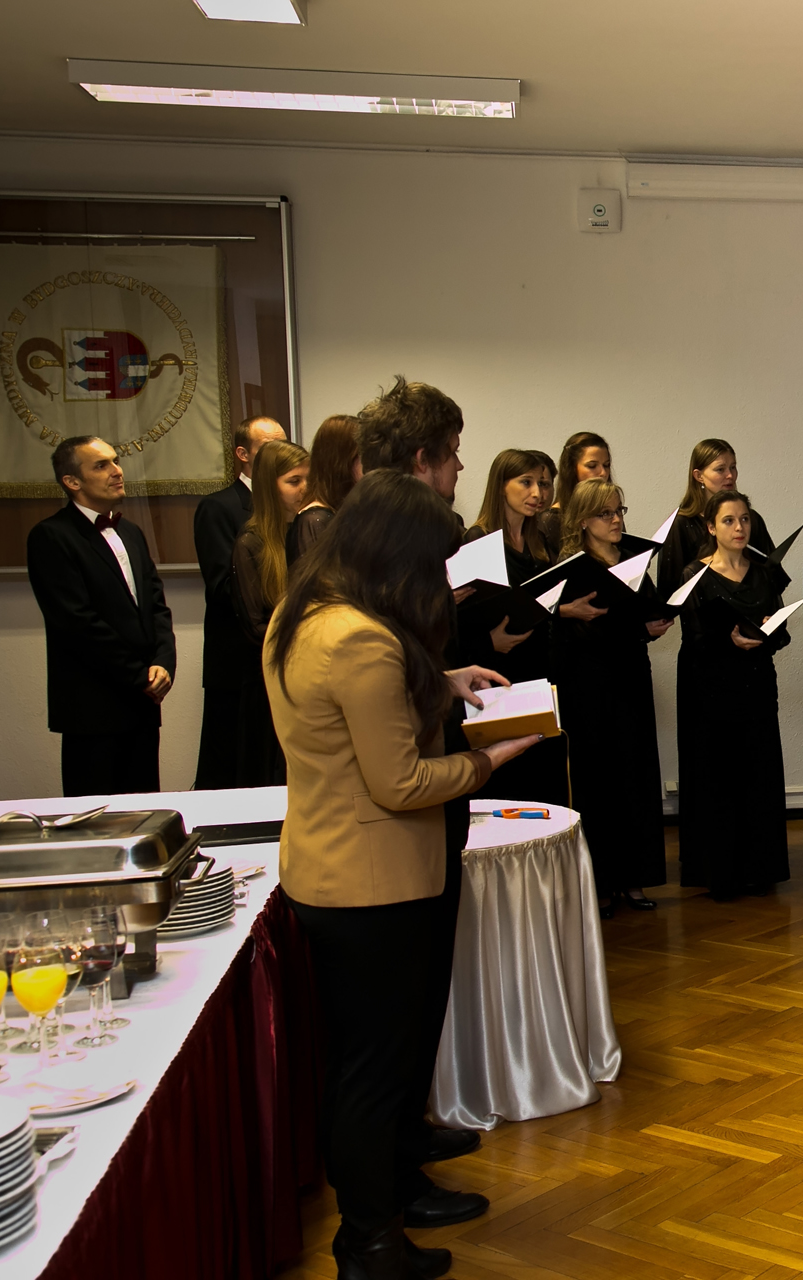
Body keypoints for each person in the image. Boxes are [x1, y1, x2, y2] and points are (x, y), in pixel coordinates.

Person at [265, 469, 537, 1280]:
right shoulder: (363, 639)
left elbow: (347, 719)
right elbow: (402, 783)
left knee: (359, 1064)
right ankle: (370, 1243)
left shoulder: (305, 612)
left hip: (325, 867)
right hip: (374, 882)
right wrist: (488, 759)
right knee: (375, 1075)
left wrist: (442, 683)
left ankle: (376, 1223)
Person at [354, 375, 490, 1230]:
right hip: (386, 828)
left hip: (411, 801)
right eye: (452, 456)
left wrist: (443, 677)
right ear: (419, 460)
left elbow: (401, 673)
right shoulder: (378, 556)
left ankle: (410, 1134)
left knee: (418, 995)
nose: (458, 470)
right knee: (393, 1019)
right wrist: (483, 758)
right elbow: (378, 687)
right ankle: (394, 1178)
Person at [26, 436, 176, 797]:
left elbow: (156, 606)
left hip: (142, 703)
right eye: (101, 465)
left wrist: (162, 662)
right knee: (97, 817)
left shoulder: (131, 532)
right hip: (93, 707)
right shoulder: (51, 536)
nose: (117, 471)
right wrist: (138, 675)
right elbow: (76, 623)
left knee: (145, 810)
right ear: (72, 482)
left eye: (116, 461)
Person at [556, 479, 670, 915]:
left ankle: (634, 879)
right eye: (606, 513)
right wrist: (632, 627)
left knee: (635, 773)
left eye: (619, 510)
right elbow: (571, 631)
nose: (616, 520)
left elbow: (648, 610)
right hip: (589, 684)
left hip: (631, 676)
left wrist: (656, 623)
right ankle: (602, 883)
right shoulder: (572, 568)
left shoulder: (633, 561)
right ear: (583, 521)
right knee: (598, 780)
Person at [676, 491, 793, 898]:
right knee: (719, 778)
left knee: (758, 775)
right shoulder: (694, 573)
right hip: (712, 688)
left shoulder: (762, 572)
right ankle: (722, 874)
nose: (739, 527)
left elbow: (782, 633)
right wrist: (728, 639)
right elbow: (692, 637)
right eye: (729, 520)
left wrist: (768, 631)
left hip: (756, 684)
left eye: (744, 519)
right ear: (711, 527)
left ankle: (760, 870)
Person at [460, 449, 569, 808]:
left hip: (537, 668)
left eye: (543, 484)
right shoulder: (477, 539)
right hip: (497, 674)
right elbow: (458, 620)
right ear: (500, 486)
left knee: (543, 779)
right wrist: (488, 642)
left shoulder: (540, 544)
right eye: (526, 482)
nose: (538, 493)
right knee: (508, 784)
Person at [193, 414, 286, 789]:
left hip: (275, 659)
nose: (279, 453)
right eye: (269, 446)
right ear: (243, 454)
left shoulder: (290, 507)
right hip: (237, 662)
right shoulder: (219, 507)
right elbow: (221, 586)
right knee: (231, 770)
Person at [229, 439, 311, 786]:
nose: (304, 489)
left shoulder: (309, 531)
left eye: (308, 479)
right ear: (268, 487)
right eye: (294, 481)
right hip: (269, 684)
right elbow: (255, 626)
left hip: (307, 680)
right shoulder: (251, 543)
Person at [656, 439, 777, 596]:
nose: (730, 475)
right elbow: (669, 590)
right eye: (720, 469)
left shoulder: (751, 519)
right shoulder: (680, 524)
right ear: (699, 476)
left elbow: (770, 577)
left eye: (733, 467)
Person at [289, 415, 361, 568]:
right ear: (342, 461)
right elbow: (318, 581)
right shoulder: (314, 520)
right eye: (361, 456)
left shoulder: (341, 511)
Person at [545, 431, 612, 549]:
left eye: (606, 465)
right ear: (572, 469)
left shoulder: (612, 511)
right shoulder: (552, 519)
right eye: (592, 466)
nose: (603, 473)